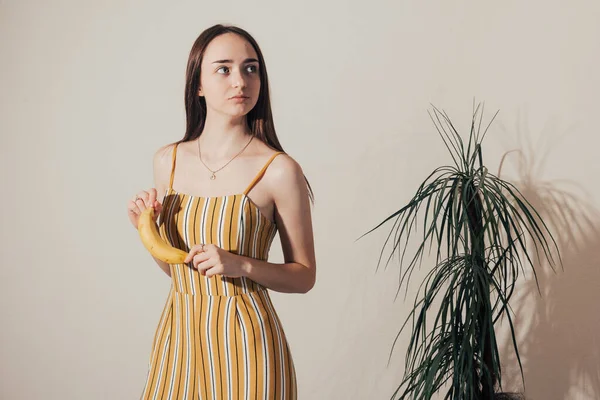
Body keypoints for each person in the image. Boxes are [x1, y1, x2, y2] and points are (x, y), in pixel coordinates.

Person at [126, 24, 316, 399]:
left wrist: (241, 265)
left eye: (251, 68)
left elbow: (304, 276)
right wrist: (146, 234)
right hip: (178, 336)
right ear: (197, 84)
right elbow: (179, 269)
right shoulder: (169, 161)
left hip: (247, 343)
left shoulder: (279, 170)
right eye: (224, 69)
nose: (240, 81)